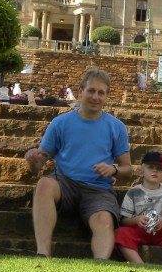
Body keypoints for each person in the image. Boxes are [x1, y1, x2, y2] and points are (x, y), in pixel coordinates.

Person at [24, 68, 132, 259]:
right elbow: (38, 166)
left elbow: (128, 170)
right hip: (65, 183)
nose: (95, 97)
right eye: (91, 91)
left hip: (98, 189)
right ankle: (43, 254)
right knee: (44, 184)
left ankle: (100, 264)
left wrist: (113, 169)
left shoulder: (116, 127)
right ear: (81, 91)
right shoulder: (60, 123)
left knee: (104, 220)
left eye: (101, 93)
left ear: (106, 96)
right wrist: (32, 160)